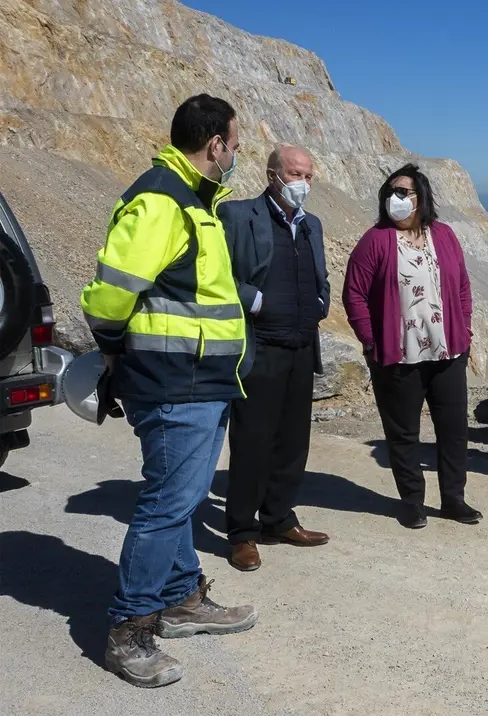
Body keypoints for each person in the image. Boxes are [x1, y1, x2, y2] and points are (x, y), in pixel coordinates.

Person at [81, 93, 257, 689]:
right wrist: (110, 346)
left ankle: (180, 598)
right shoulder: (163, 199)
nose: (235, 156)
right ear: (216, 144)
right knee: (165, 505)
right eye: (235, 146)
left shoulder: (194, 199)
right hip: (173, 383)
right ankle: (129, 630)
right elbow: (111, 292)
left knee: (181, 499)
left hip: (202, 380)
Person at [342, 164, 479, 530]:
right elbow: (354, 294)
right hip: (398, 356)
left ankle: (454, 499)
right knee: (403, 433)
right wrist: (371, 340)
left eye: (403, 192)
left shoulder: (444, 235)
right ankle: (413, 502)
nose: (395, 199)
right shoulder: (375, 240)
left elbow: (462, 287)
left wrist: (464, 329)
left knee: (453, 429)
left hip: (448, 353)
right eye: (390, 192)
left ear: (421, 198)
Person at [218, 144, 331, 572]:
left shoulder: (311, 225)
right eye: (295, 173)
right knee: (252, 442)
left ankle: (279, 519)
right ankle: (242, 533)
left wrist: (320, 302)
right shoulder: (238, 216)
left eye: (308, 175)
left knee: (292, 442)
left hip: (301, 347)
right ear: (273, 175)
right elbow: (217, 273)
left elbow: (320, 275)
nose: (303, 182)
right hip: (260, 348)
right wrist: (256, 300)